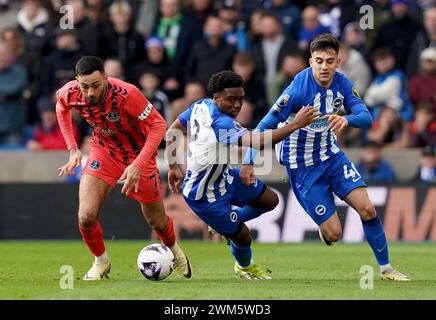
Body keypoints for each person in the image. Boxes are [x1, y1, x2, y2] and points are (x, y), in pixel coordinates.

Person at [242, 34, 410, 281]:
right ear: (310, 61)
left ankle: (386, 269)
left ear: (338, 61)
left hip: (331, 156)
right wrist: (248, 160)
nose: (324, 67)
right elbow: (264, 125)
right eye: (319, 61)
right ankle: (232, 220)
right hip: (303, 166)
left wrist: (346, 118)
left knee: (368, 208)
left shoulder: (342, 83)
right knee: (334, 234)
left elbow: (366, 116)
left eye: (329, 61)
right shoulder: (297, 90)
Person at [165, 70, 320, 280]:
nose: (237, 105)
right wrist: (295, 125)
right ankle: (244, 266)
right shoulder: (222, 123)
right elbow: (258, 141)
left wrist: (173, 166)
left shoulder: (201, 106)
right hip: (205, 196)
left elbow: (174, 129)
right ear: (216, 97)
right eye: (231, 100)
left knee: (270, 200)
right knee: (244, 237)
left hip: (225, 178)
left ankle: (227, 224)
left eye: (240, 99)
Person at [56, 56, 191, 281]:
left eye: (96, 85)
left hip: (139, 153)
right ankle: (101, 261)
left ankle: (174, 249)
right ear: (76, 81)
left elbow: (158, 125)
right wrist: (72, 148)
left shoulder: (127, 94)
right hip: (104, 150)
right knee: (86, 216)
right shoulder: (69, 92)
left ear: (106, 79)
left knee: (156, 221)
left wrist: (138, 164)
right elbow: (61, 109)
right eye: (84, 86)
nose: (90, 92)